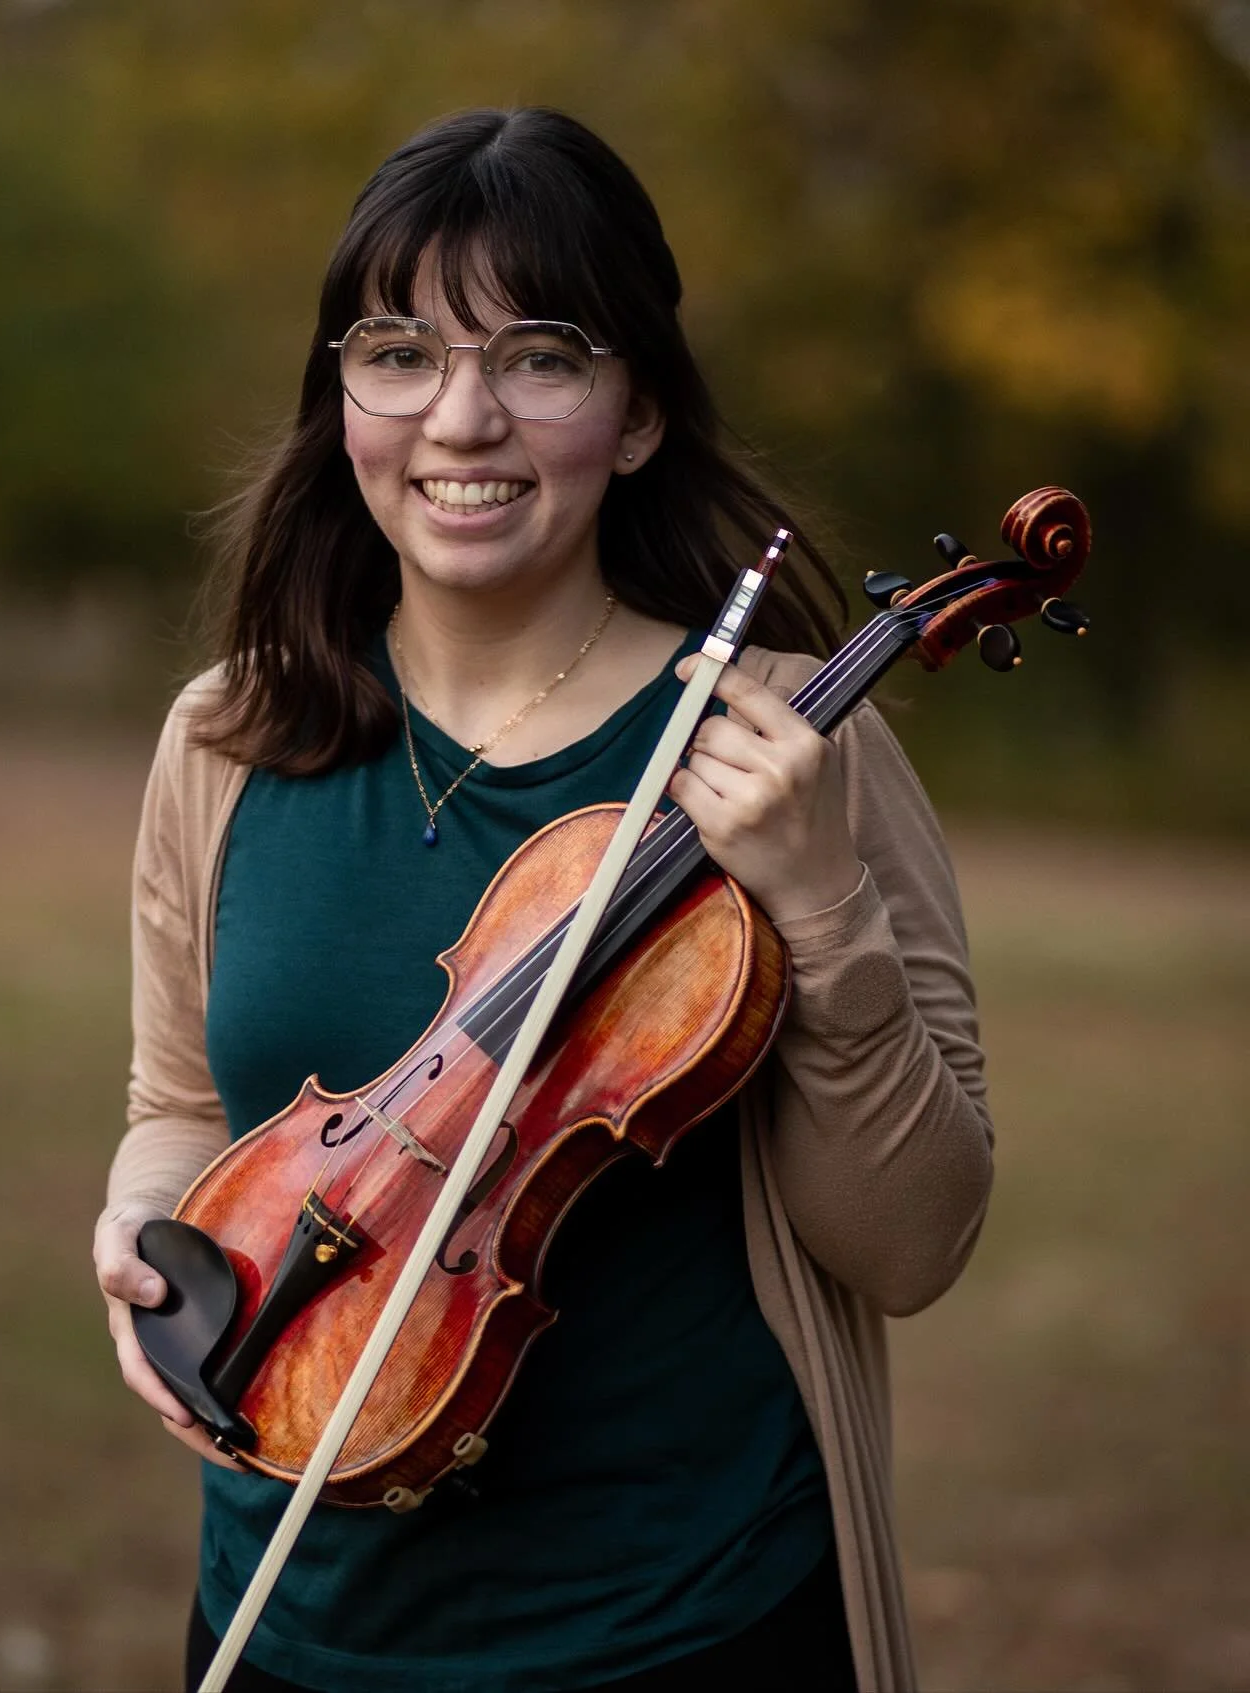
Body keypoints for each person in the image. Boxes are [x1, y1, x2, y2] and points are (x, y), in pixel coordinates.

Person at [93, 107, 992, 1693]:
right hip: (287, 1626)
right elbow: (179, 1104)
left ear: (635, 412)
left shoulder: (790, 749)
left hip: (685, 1631)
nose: (463, 417)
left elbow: (915, 1246)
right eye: (401, 352)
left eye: (542, 356)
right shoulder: (230, 734)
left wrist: (822, 909)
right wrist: (138, 1226)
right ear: (344, 396)